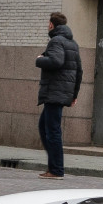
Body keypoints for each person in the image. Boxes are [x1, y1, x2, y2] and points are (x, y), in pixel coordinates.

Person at [35, 11, 82, 179]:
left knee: (52, 131)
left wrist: (40, 59)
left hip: (54, 92)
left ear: (51, 25)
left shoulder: (55, 41)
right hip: (62, 92)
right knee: (44, 127)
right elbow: (79, 71)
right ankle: (53, 167)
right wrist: (74, 94)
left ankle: (56, 169)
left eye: (48, 23)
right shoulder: (72, 43)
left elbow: (56, 61)